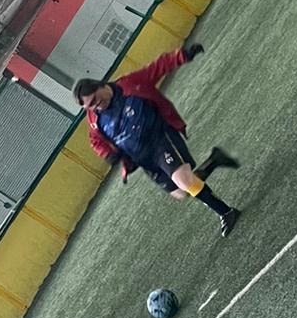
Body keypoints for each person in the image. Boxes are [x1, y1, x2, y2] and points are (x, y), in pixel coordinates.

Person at [73, 44, 241, 238]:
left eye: (95, 100)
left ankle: (226, 212)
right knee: (181, 192)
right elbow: (95, 141)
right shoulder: (94, 119)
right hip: (144, 160)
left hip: (160, 139)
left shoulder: (129, 84)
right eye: (89, 106)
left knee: (184, 180)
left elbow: (157, 67)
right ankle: (214, 160)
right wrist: (108, 154)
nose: (95, 107)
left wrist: (183, 55)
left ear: (100, 86)